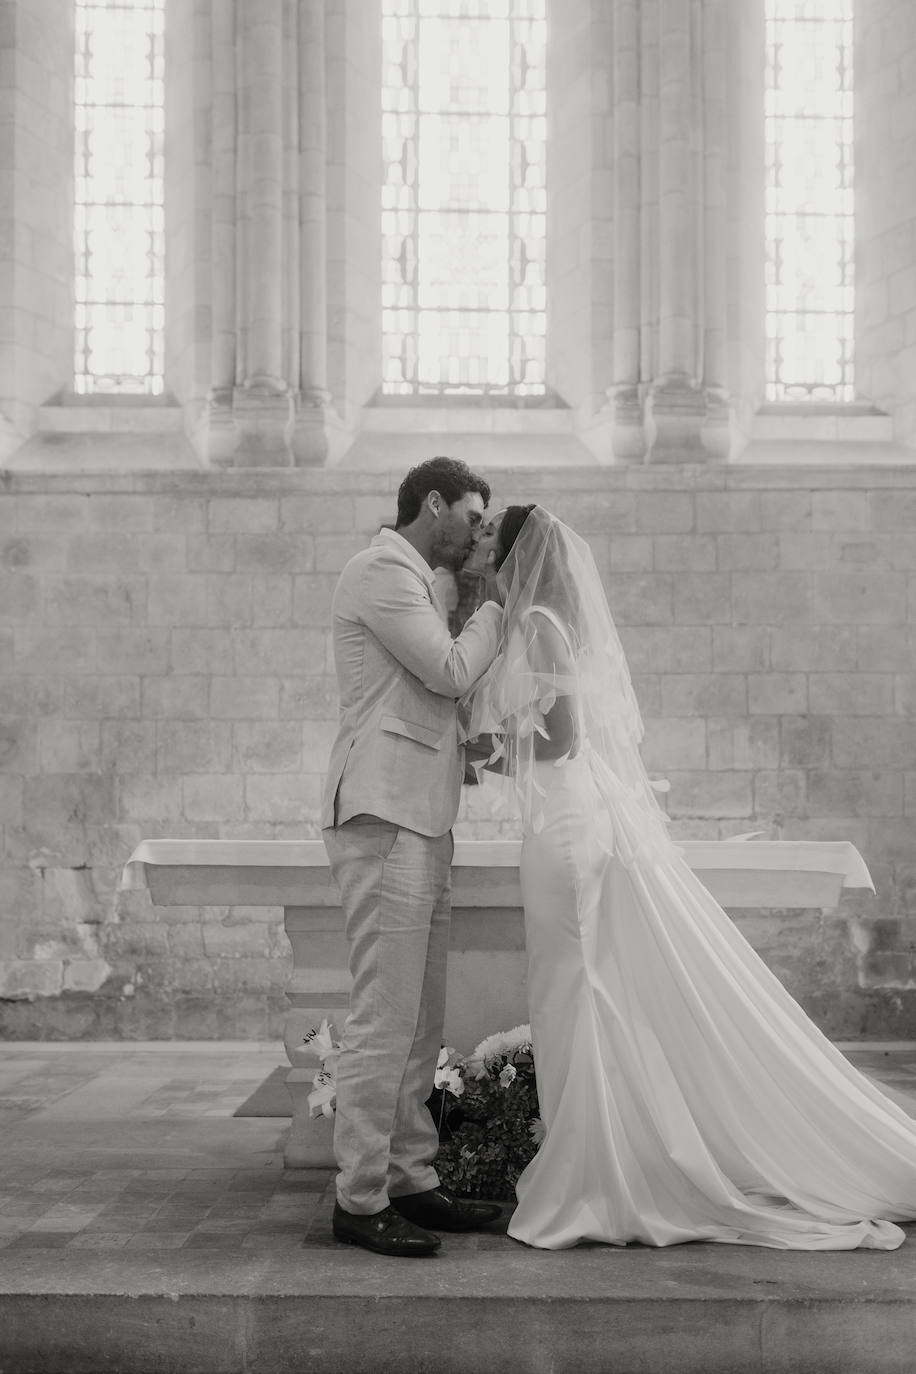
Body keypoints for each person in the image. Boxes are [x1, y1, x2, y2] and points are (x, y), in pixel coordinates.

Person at [462, 504, 916, 1251]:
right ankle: (597, 1161)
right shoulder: (538, 619)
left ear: (515, 556)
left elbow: (564, 737)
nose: (481, 547)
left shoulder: (538, 621)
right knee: (575, 996)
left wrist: (484, 757)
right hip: (564, 824)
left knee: (578, 994)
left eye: (490, 538)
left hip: (569, 831)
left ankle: (595, 1179)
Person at [321, 457, 504, 1258]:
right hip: (385, 813)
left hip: (425, 817)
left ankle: (411, 1179)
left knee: (421, 1021)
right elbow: (452, 668)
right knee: (383, 1020)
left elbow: (440, 699)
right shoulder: (380, 570)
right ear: (432, 503)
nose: (474, 533)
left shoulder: (424, 585)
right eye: (469, 515)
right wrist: (494, 601)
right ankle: (359, 1199)